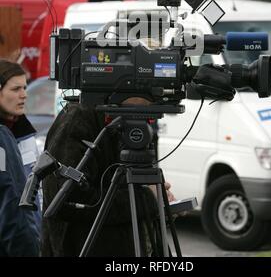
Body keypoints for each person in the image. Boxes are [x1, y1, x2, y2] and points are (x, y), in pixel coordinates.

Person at [41, 97, 175, 257]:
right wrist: (147, 198)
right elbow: (66, 201)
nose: (155, 95)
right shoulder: (78, 119)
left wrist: (158, 203)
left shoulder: (137, 118)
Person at [0, 60, 40, 257]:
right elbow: (10, 196)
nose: (24, 94)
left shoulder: (23, 133)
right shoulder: (2, 139)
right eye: (15, 89)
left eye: (24, 87)